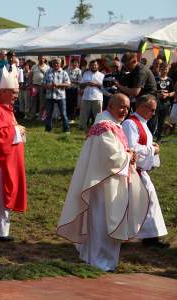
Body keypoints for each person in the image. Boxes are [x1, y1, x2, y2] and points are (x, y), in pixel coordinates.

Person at [57, 93, 150, 272]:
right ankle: (100, 261)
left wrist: (128, 153)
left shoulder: (112, 124)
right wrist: (129, 155)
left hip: (109, 180)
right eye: (121, 106)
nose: (125, 110)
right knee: (103, 222)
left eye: (127, 107)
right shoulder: (104, 126)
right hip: (103, 183)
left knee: (104, 221)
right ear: (111, 106)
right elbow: (111, 157)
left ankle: (99, 258)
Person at [0, 67, 27, 241]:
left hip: (11, 160)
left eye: (17, 92)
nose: (16, 96)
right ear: (4, 92)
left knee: (3, 194)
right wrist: (17, 130)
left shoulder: (6, 108)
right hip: (1, 161)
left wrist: (16, 130)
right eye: (14, 92)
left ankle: (0, 228)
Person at [122, 95, 168, 247]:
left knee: (148, 202)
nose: (153, 113)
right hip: (133, 171)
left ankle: (150, 237)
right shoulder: (130, 123)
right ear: (141, 106)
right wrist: (152, 149)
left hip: (141, 172)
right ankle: (146, 237)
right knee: (139, 203)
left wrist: (151, 147)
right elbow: (130, 148)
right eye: (152, 110)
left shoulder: (143, 124)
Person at [42, 58, 71, 133]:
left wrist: (58, 85)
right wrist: (50, 86)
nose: (56, 64)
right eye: (54, 63)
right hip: (49, 96)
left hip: (60, 96)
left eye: (57, 63)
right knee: (48, 114)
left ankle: (66, 130)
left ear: (61, 64)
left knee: (63, 114)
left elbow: (68, 84)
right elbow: (43, 84)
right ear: (52, 63)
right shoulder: (47, 72)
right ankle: (48, 130)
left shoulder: (64, 72)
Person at [78, 60, 105, 130]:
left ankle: (99, 128)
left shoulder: (102, 75)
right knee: (83, 115)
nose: (94, 66)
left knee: (98, 115)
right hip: (86, 97)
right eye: (92, 65)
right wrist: (87, 83)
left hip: (97, 98)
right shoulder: (86, 74)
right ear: (90, 66)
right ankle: (82, 127)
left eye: (95, 65)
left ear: (98, 66)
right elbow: (81, 85)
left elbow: (104, 87)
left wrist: (95, 84)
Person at [153, 63, 174, 141]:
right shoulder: (155, 79)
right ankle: (151, 136)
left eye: (166, 69)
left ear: (168, 70)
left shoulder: (170, 80)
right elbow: (152, 90)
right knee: (153, 120)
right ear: (159, 69)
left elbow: (173, 92)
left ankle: (158, 138)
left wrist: (167, 95)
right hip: (156, 103)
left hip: (166, 103)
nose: (164, 71)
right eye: (162, 69)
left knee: (162, 121)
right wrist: (157, 94)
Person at [29, 56, 50, 120]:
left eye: (43, 58)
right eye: (40, 58)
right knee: (33, 101)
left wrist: (43, 71)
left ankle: (40, 116)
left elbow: (48, 77)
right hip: (34, 86)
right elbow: (31, 75)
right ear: (38, 59)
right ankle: (32, 115)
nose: (41, 59)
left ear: (45, 59)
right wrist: (30, 84)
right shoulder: (34, 66)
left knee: (42, 102)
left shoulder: (47, 67)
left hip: (42, 86)